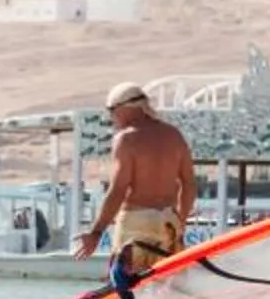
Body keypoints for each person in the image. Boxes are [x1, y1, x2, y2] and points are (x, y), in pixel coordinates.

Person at [78, 83, 198, 284]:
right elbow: (189, 183)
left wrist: (96, 232)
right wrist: (180, 221)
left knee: (126, 289)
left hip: (136, 224)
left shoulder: (126, 139)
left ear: (127, 107)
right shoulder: (174, 135)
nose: (111, 117)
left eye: (112, 110)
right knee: (172, 290)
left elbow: (118, 189)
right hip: (168, 221)